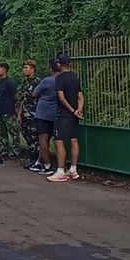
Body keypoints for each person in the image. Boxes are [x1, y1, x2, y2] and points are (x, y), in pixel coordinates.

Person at [47, 54, 84, 182]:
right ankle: (73, 169)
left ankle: (60, 170)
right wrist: (79, 109)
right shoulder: (75, 77)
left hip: (63, 114)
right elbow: (80, 95)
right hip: (74, 115)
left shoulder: (59, 78)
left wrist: (72, 110)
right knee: (74, 140)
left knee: (59, 141)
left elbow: (61, 97)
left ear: (59, 64)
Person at [30, 59, 60, 175]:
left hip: (42, 113)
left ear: (50, 69)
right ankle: (38, 162)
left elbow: (34, 93)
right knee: (52, 139)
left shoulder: (47, 80)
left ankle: (47, 165)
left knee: (43, 139)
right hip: (56, 113)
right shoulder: (63, 80)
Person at [18, 60, 41, 169]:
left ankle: (36, 159)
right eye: (23, 68)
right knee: (27, 136)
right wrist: (19, 114)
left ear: (32, 69)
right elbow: (22, 100)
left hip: (34, 114)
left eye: (26, 68)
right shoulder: (24, 82)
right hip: (25, 114)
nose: (24, 70)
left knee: (34, 138)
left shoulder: (38, 82)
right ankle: (32, 158)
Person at [0, 63, 20, 158]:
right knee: (2, 133)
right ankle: (4, 150)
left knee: (13, 132)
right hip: (0, 111)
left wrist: (17, 112)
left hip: (9, 111)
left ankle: (15, 151)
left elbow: (16, 97)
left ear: (4, 70)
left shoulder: (10, 82)